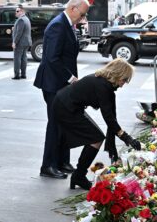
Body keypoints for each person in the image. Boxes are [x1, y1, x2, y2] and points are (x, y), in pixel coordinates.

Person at [53, 58, 141, 190]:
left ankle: (78, 175)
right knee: (96, 138)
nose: (123, 84)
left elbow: (111, 116)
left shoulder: (104, 83)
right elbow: (108, 117)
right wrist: (126, 138)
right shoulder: (102, 86)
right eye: (124, 80)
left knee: (96, 137)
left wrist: (124, 137)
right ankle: (79, 176)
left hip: (68, 104)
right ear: (117, 75)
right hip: (65, 107)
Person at [34, 0, 90, 179]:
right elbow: (52, 58)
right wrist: (71, 77)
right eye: (82, 14)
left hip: (62, 82)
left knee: (65, 121)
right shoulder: (58, 25)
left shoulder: (68, 24)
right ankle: (48, 165)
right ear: (73, 9)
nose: (82, 19)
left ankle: (62, 161)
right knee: (55, 123)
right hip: (53, 82)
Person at [12, 5, 32, 80]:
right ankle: (23, 74)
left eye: (17, 11)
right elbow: (23, 30)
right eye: (16, 11)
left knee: (17, 58)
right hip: (26, 42)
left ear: (22, 11)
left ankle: (17, 75)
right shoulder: (26, 19)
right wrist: (15, 28)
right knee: (24, 58)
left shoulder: (21, 20)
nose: (16, 13)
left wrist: (14, 42)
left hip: (20, 43)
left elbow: (19, 33)